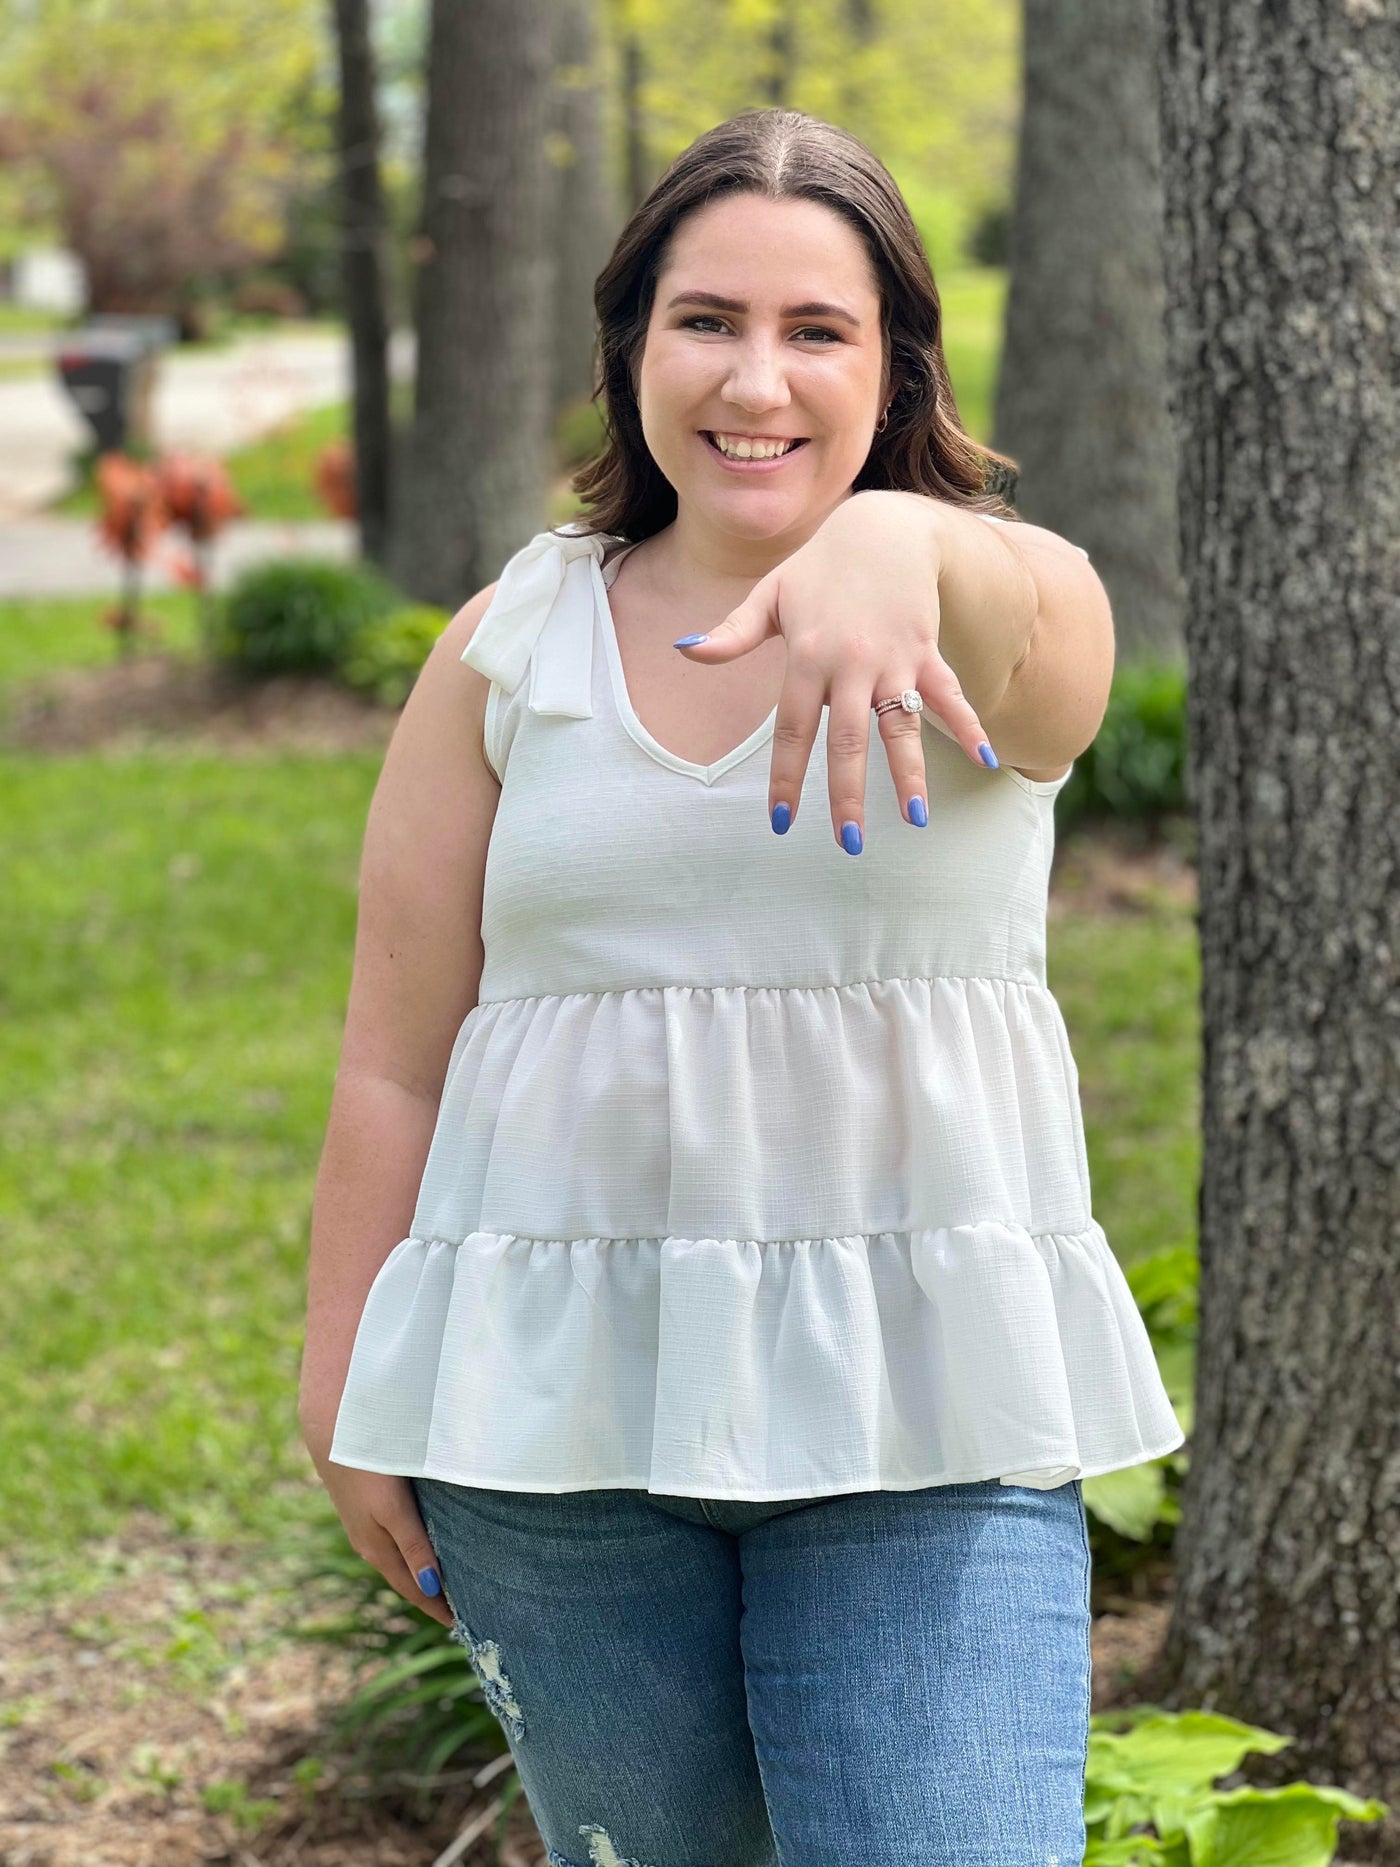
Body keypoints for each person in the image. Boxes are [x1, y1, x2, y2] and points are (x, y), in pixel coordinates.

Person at [300, 106, 1185, 1867]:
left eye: (817, 331)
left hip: (930, 1420)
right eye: (707, 320)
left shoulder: (997, 620)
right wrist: (348, 1383)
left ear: (896, 364)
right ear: (633, 341)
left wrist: (884, 551)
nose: (754, 380)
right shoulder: (509, 646)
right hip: (554, 1432)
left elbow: (1057, 633)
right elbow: (397, 1060)